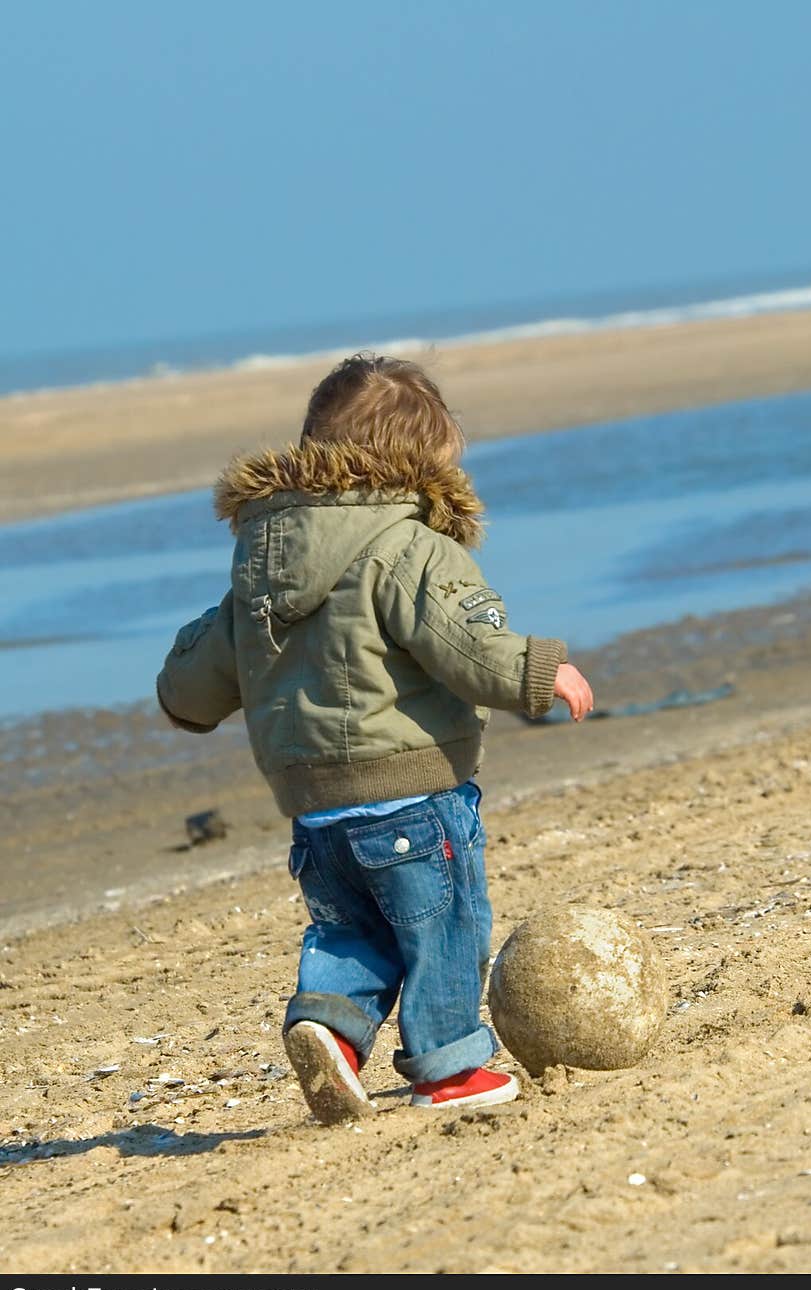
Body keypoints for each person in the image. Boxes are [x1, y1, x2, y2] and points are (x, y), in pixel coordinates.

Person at [157, 353, 594, 1124]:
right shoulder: (410, 546)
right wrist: (541, 671)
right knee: (446, 926)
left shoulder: (260, 564)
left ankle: (329, 1027)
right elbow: (466, 641)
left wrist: (180, 698)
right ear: (417, 467)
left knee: (354, 928)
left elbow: (202, 669)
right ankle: (450, 1067)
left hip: (314, 807)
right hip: (412, 795)